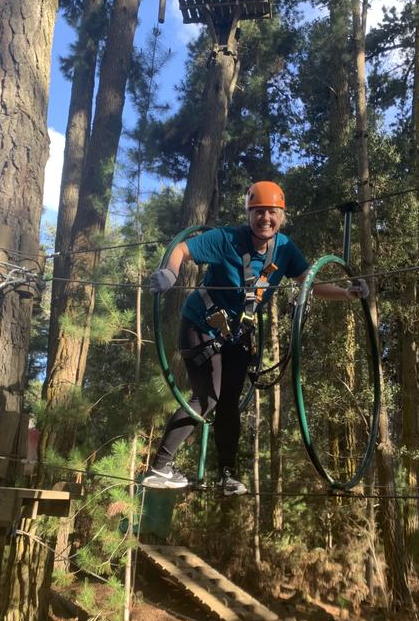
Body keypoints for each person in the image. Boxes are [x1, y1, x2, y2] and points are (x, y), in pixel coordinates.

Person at [142, 181, 368, 496]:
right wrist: (170, 273)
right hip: (200, 325)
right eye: (258, 212)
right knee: (208, 397)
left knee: (229, 403)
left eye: (272, 212)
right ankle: (160, 468)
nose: (265, 218)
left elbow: (311, 284)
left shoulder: (286, 250)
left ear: (282, 216)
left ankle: (227, 474)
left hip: (236, 334)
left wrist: (347, 294)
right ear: (249, 213)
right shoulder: (226, 239)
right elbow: (182, 249)